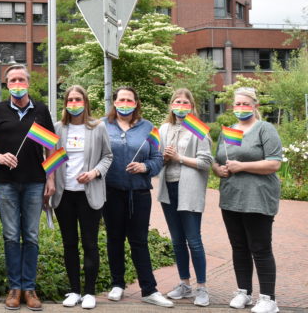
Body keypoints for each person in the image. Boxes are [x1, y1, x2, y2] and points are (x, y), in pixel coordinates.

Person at [0, 64, 55, 311]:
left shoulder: (40, 110)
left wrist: (51, 179)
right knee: (11, 236)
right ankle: (14, 288)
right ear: (7, 84)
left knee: (31, 236)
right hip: (6, 183)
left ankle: (29, 288)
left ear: (28, 83)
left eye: (21, 79)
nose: (17, 83)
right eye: (13, 80)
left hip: (35, 181)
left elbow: (51, 147)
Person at [213, 87, 282, 313]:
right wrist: (218, 169)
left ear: (255, 106)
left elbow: (274, 163)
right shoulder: (228, 131)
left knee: (260, 248)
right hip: (231, 198)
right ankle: (243, 292)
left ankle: (268, 299)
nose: (241, 108)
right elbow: (218, 159)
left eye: (245, 104)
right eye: (237, 104)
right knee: (239, 247)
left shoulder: (264, 128)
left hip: (257, 199)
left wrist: (242, 166)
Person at [102, 86, 173, 308]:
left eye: (129, 100)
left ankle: (149, 289)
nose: (124, 103)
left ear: (136, 103)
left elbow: (158, 159)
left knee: (139, 241)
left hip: (139, 194)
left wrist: (144, 167)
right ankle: (117, 284)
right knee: (114, 239)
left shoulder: (148, 128)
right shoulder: (103, 126)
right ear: (114, 102)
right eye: (121, 99)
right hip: (111, 192)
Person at [50, 85, 113, 310]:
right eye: (70, 99)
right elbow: (51, 160)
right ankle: (74, 290)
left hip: (89, 195)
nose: (74, 103)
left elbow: (108, 156)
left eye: (78, 99)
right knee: (69, 244)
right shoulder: (58, 128)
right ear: (65, 103)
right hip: (64, 194)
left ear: (85, 102)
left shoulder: (98, 127)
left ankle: (89, 292)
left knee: (90, 243)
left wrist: (95, 172)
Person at [157, 88, 213, 307]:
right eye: (176, 102)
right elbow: (157, 159)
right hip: (168, 189)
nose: (180, 106)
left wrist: (179, 157)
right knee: (177, 240)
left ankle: (202, 288)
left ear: (191, 106)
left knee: (194, 240)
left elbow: (205, 162)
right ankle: (184, 284)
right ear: (171, 105)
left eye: (185, 102)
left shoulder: (198, 129)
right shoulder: (163, 128)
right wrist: (162, 158)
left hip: (188, 189)